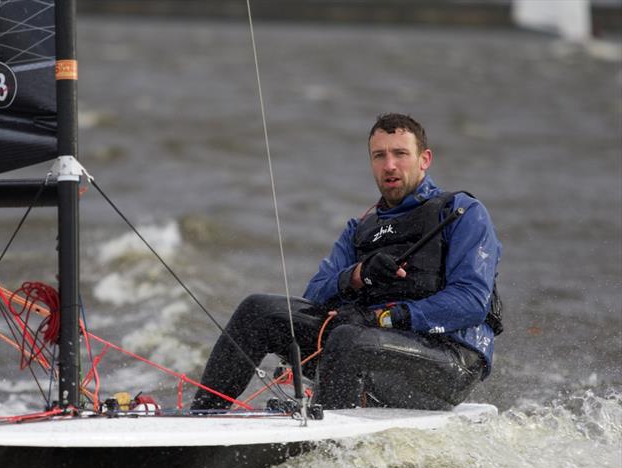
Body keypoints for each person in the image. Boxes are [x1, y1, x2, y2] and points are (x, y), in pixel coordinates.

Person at [191, 113, 502, 412]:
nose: (390, 165)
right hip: (364, 348)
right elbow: (313, 297)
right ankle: (202, 418)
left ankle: (325, 445)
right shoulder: (360, 229)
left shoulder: (461, 212)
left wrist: (389, 317)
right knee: (258, 311)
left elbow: (471, 301)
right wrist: (358, 275)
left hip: (448, 361)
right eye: (379, 156)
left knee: (350, 338)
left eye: (400, 154)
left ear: (424, 159)